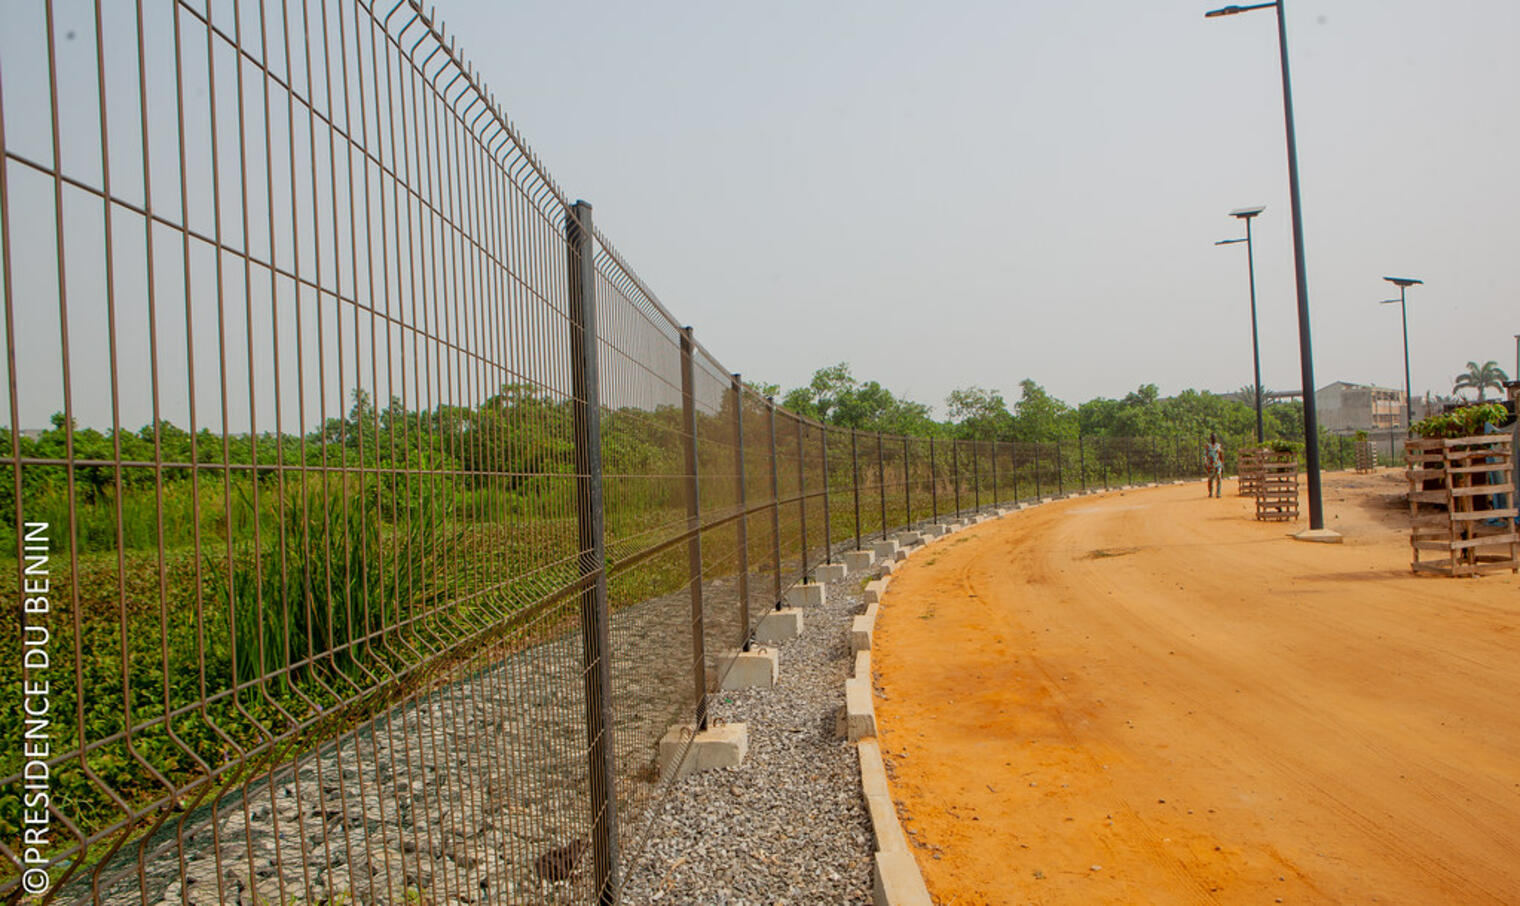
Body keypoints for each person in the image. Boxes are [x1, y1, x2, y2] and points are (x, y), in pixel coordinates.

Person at [1204, 432, 1224, 498]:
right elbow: (1205, 455)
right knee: (1210, 479)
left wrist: (1222, 463)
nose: (1213, 439)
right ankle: (1210, 492)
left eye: (1214, 437)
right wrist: (1205, 462)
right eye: (1212, 437)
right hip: (1211, 465)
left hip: (1218, 464)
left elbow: (1221, 455)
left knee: (1218, 477)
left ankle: (1218, 493)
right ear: (1210, 438)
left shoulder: (1218, 446)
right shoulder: (1208, 446)